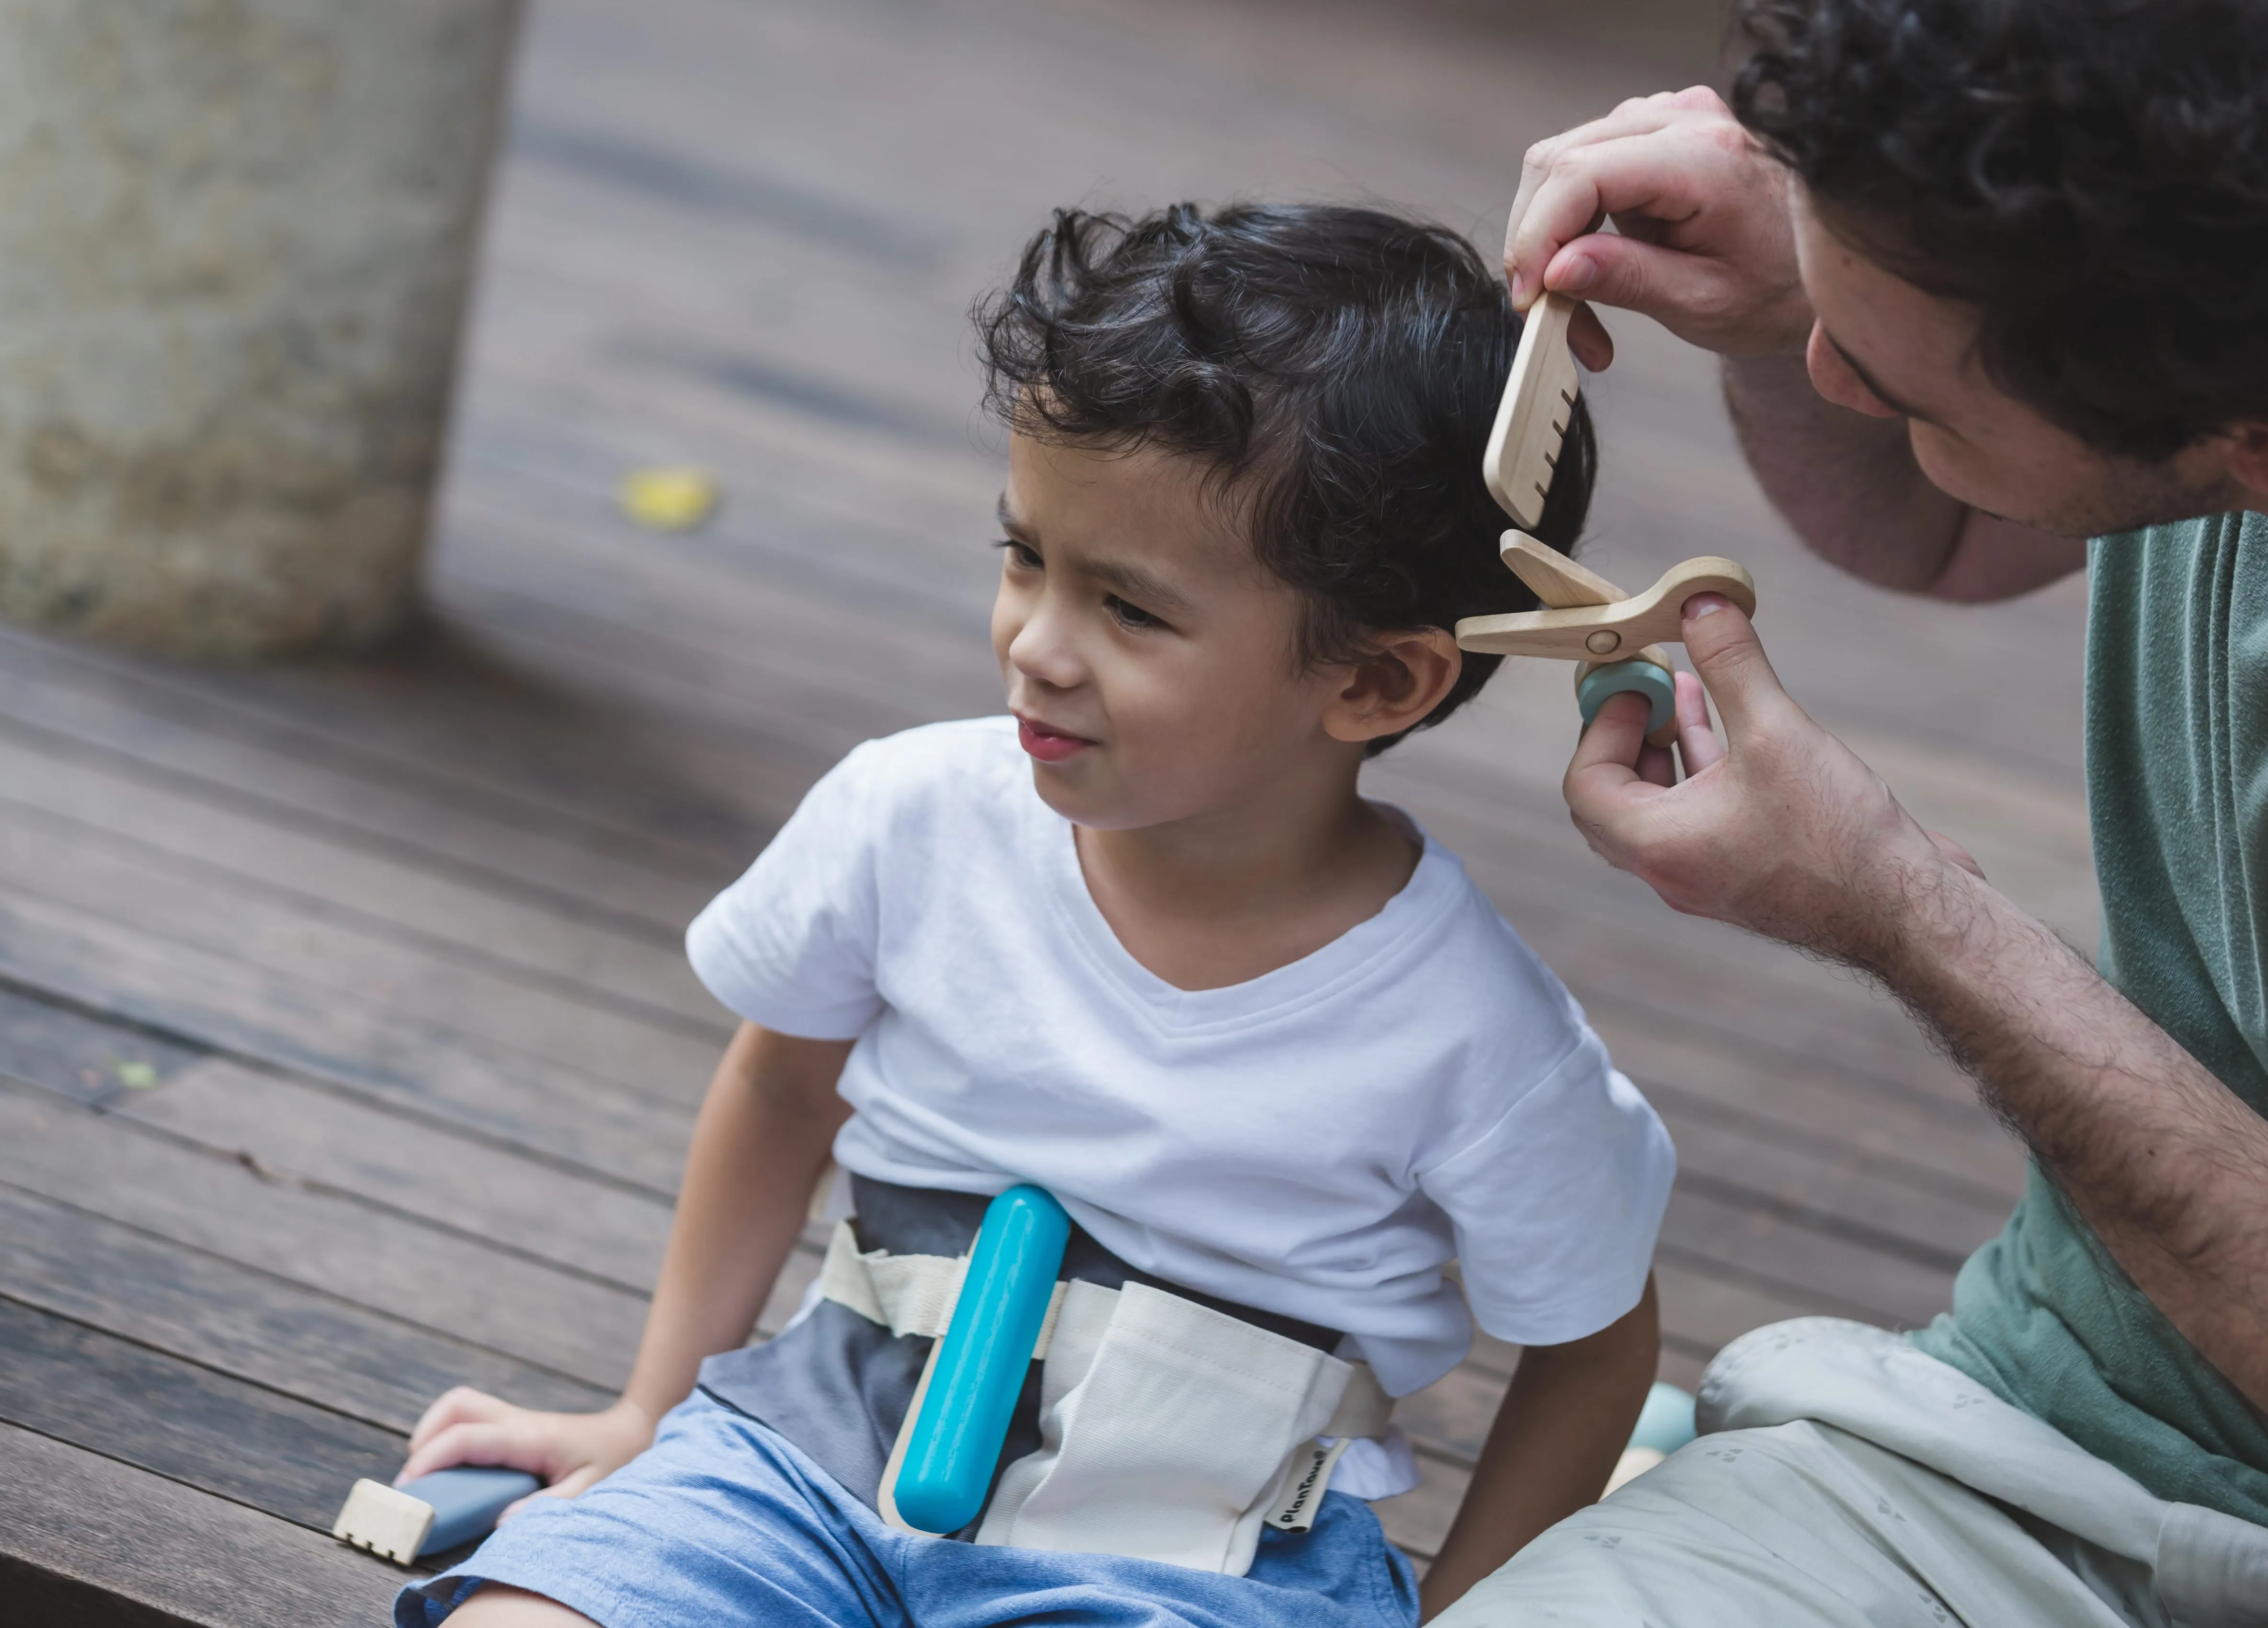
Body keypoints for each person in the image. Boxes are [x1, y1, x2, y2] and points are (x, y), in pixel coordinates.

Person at [1444, 0, 2268, 1624]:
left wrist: (1903, 909)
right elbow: (1957, 522)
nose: (1832, 366)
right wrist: (1815, 286)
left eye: (1897, 385)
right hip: (2014, 1439)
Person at [387, 203, 1676, 1628]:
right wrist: (649, 1409)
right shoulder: (910, 814)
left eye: (1129, 610)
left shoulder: (1477, 1035)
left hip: (1191, 1560)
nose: (1035, 645)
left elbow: (1592, 1345)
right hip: (802, 1467)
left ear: (1376, 683)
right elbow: (779, 1078)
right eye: (1025, 558)